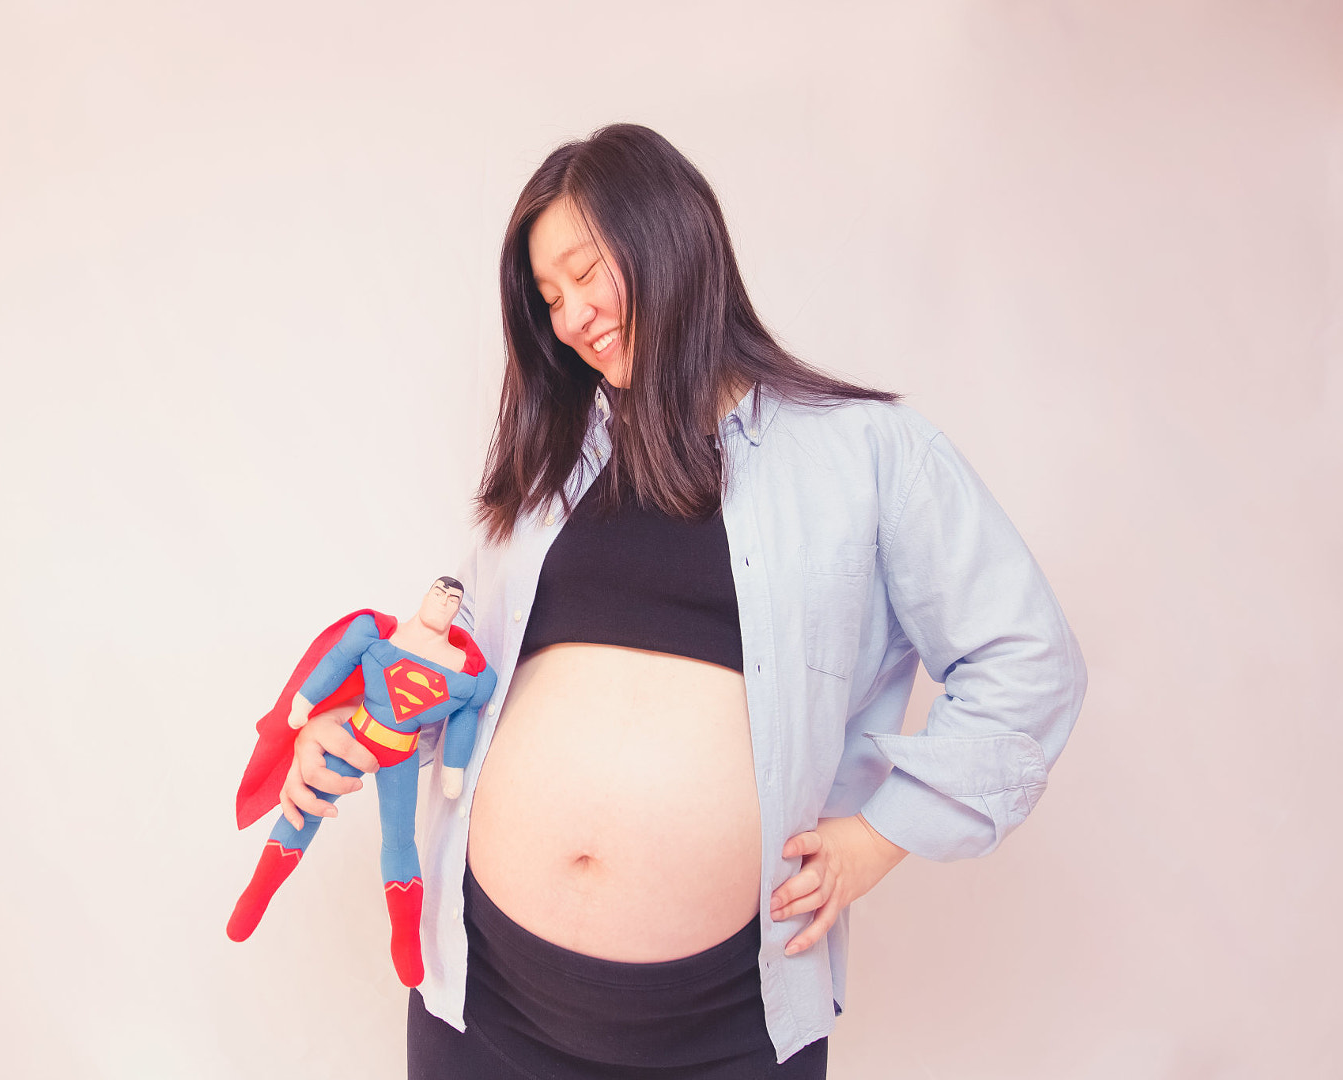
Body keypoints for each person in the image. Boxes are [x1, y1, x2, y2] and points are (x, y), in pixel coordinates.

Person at [278, 124, 1086, 1078]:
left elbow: (1026, 658)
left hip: (724, 1026)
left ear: (670, 237)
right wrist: (359, 727)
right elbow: (467, 682)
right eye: (549, 297)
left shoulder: (866, 455)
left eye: (585, 272)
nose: (572, 315)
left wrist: (879, 838)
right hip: (487, 1002)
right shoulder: (550, 468)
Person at [227, 577, 495, 988]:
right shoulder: (377, 635)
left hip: (402, 756)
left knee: (400, 841)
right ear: (426, 595)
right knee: (305, 806)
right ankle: (257, 893)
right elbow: (337, 660)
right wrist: (305, 703)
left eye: (452, 599)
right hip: (357, 733)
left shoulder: (465, 672)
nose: (444, 603)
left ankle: (405, 936)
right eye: (439, 594)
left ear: (457, 608)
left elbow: (463, 717)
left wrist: (453, 768)